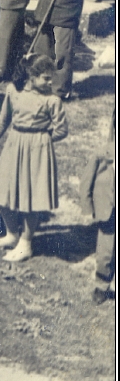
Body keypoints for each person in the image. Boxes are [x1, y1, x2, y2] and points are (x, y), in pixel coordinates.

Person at [0, 54, 68, 263]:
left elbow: (61, 130)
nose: (50, 83)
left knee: (32, 199)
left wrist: (43, 140)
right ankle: (12, 235)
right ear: (31, 75)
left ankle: (26, 243)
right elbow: (2, 122)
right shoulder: (13, 92)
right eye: (46, 78)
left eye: (51, 78)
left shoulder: (52, 101)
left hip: (37, 150)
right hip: (14, 145)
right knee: (2, 192)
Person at [84, 118, 115, 304]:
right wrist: (88, 207)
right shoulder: (104, 154)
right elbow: (87, 181)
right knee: (106, 250)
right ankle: (102, 283)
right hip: (109, 210)